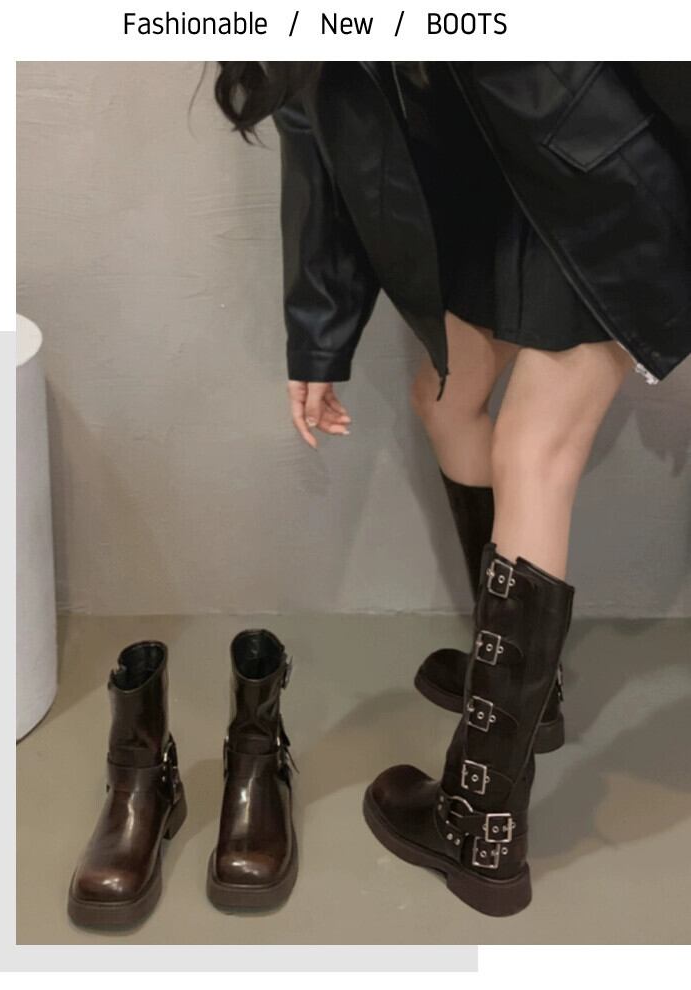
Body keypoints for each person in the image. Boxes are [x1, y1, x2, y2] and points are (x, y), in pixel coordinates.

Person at [213, 61, 691, 916]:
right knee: (444, 399)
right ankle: (526, 689)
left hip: (602, 194)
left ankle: (481, 828)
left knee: (533, 452)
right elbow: (315, 141)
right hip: (492, 204)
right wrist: (317, 345)